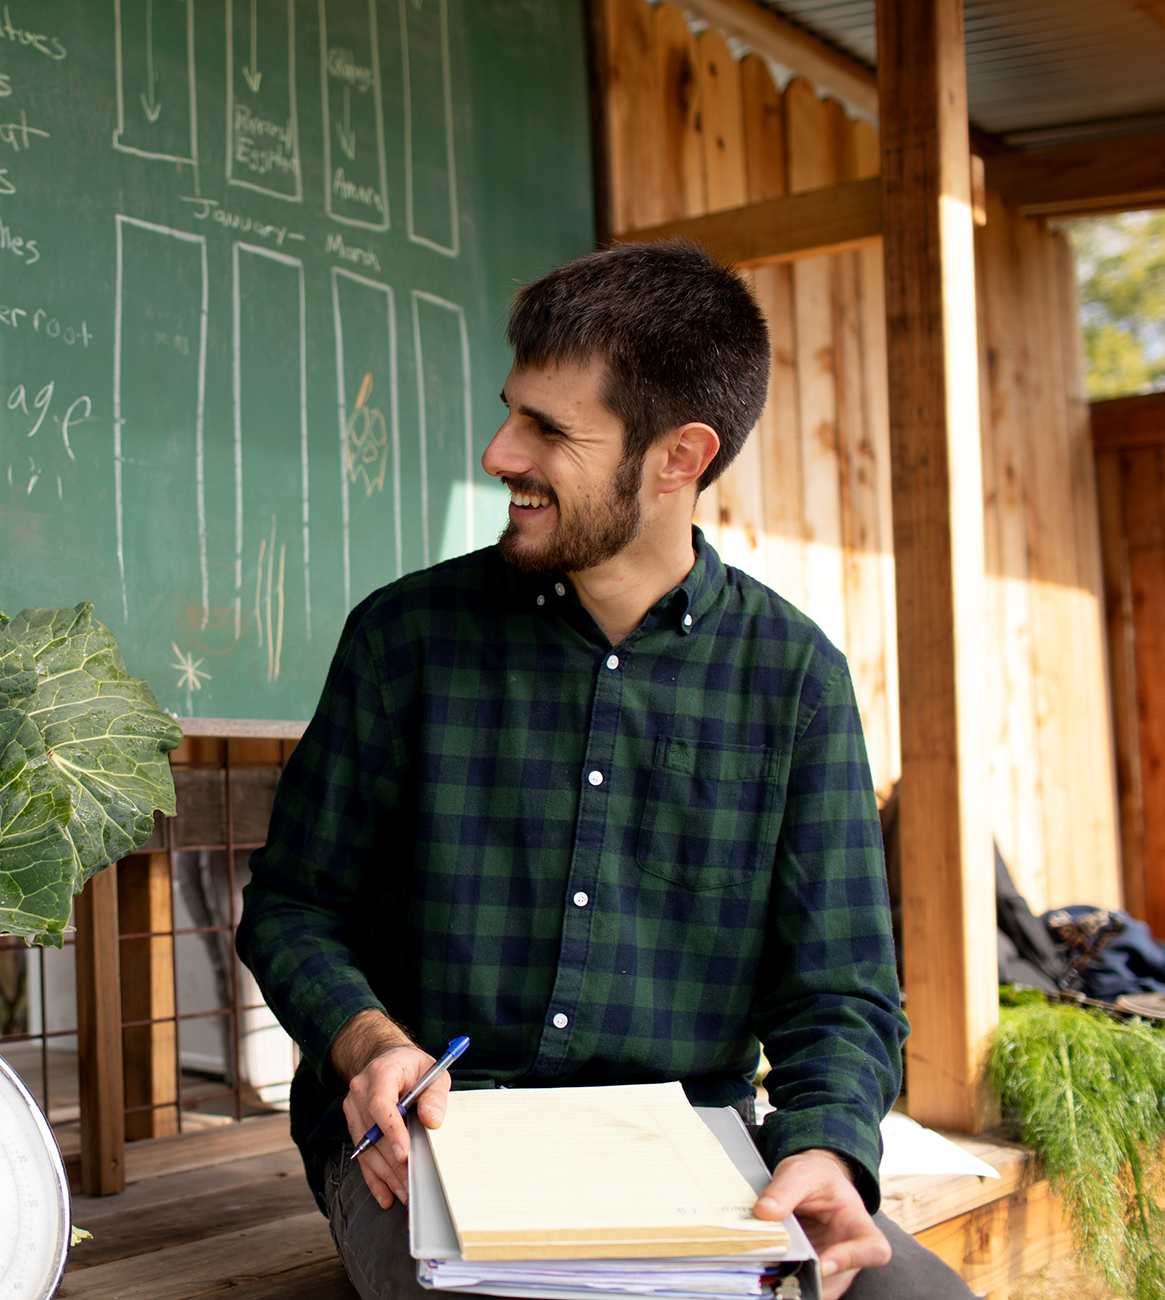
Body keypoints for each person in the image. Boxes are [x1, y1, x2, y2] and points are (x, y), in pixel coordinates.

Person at [234, 240, 973, 1300]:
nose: (499, 452)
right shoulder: (406, 639)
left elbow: (841, 991)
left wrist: (826, 1148)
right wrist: (369, 1044)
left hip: (697, 1161)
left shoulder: (795, 678)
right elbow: (296, 905)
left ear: (680, 456)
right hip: (429, 1146)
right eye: (510, 410)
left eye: (548, 429)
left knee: (920, 1298)